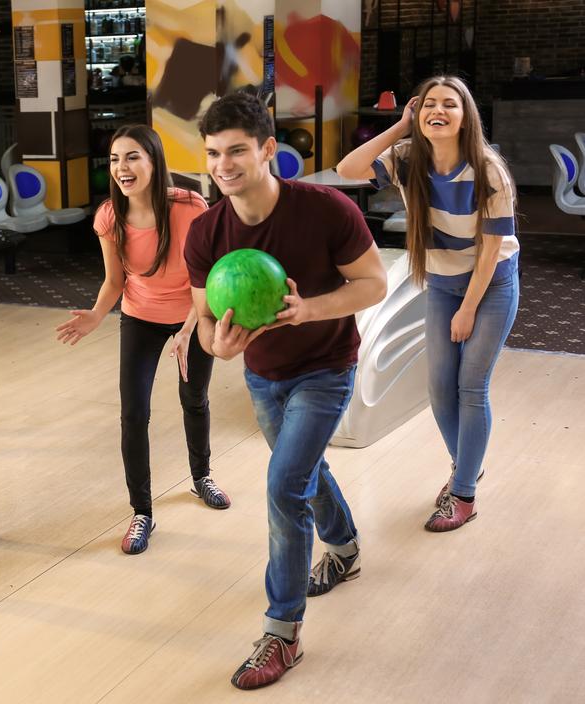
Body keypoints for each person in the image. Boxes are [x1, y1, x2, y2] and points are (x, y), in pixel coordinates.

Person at [184, 91, 387, 689]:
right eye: (214, 153)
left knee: (282, 485)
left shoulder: (325, 209)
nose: (224, 165)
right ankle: (345, 547)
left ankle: (282, 633)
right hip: (262, 375)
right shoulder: (205, 233)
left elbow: (373, 284)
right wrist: (215, 346)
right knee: (302, 474)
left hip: (326, 367)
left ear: (269, 149)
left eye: (238, 151)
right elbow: (202, 318)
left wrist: (309, 310)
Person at [337, 75, 519, 532]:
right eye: (429, 104)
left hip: (491, 285)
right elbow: (348, 169)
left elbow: (493, 249)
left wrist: (467, 309)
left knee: (470, 386)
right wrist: (400, 128)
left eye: (449, 105)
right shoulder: (406, 158)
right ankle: (466, 467)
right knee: (439, 388)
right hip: (440, 283)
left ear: (465, 116)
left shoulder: (488, 169)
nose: (438, 111)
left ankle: (463, 493)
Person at [55, 125, 229, 556]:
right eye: (114, 159)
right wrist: (96, 314)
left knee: (194, 397)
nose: (121, 168)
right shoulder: (109, 217)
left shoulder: (190, 206)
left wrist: (191, 328)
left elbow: (205, 278)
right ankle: (142, 512)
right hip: (141, 318)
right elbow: (115, 280)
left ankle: (201, 475)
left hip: (192, 314)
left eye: (132, 157)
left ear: (154, 161)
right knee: (133, 414)